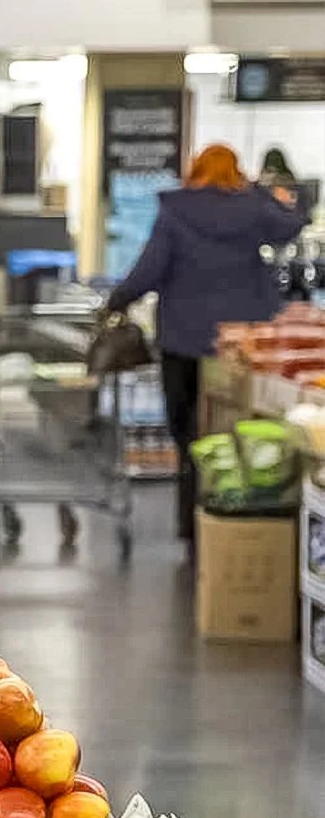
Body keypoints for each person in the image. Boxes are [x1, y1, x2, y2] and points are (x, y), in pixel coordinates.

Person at [107, 143, 307, 540]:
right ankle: (240, 514)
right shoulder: (252, 208)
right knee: (236, 429)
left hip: (183, 337)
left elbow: (151, 267)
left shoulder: (176, 211)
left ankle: (190, 518)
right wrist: (258, 191)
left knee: (186, 431)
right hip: (240, 343)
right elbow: (294, 221)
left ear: (194, 169)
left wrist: (118, 299)